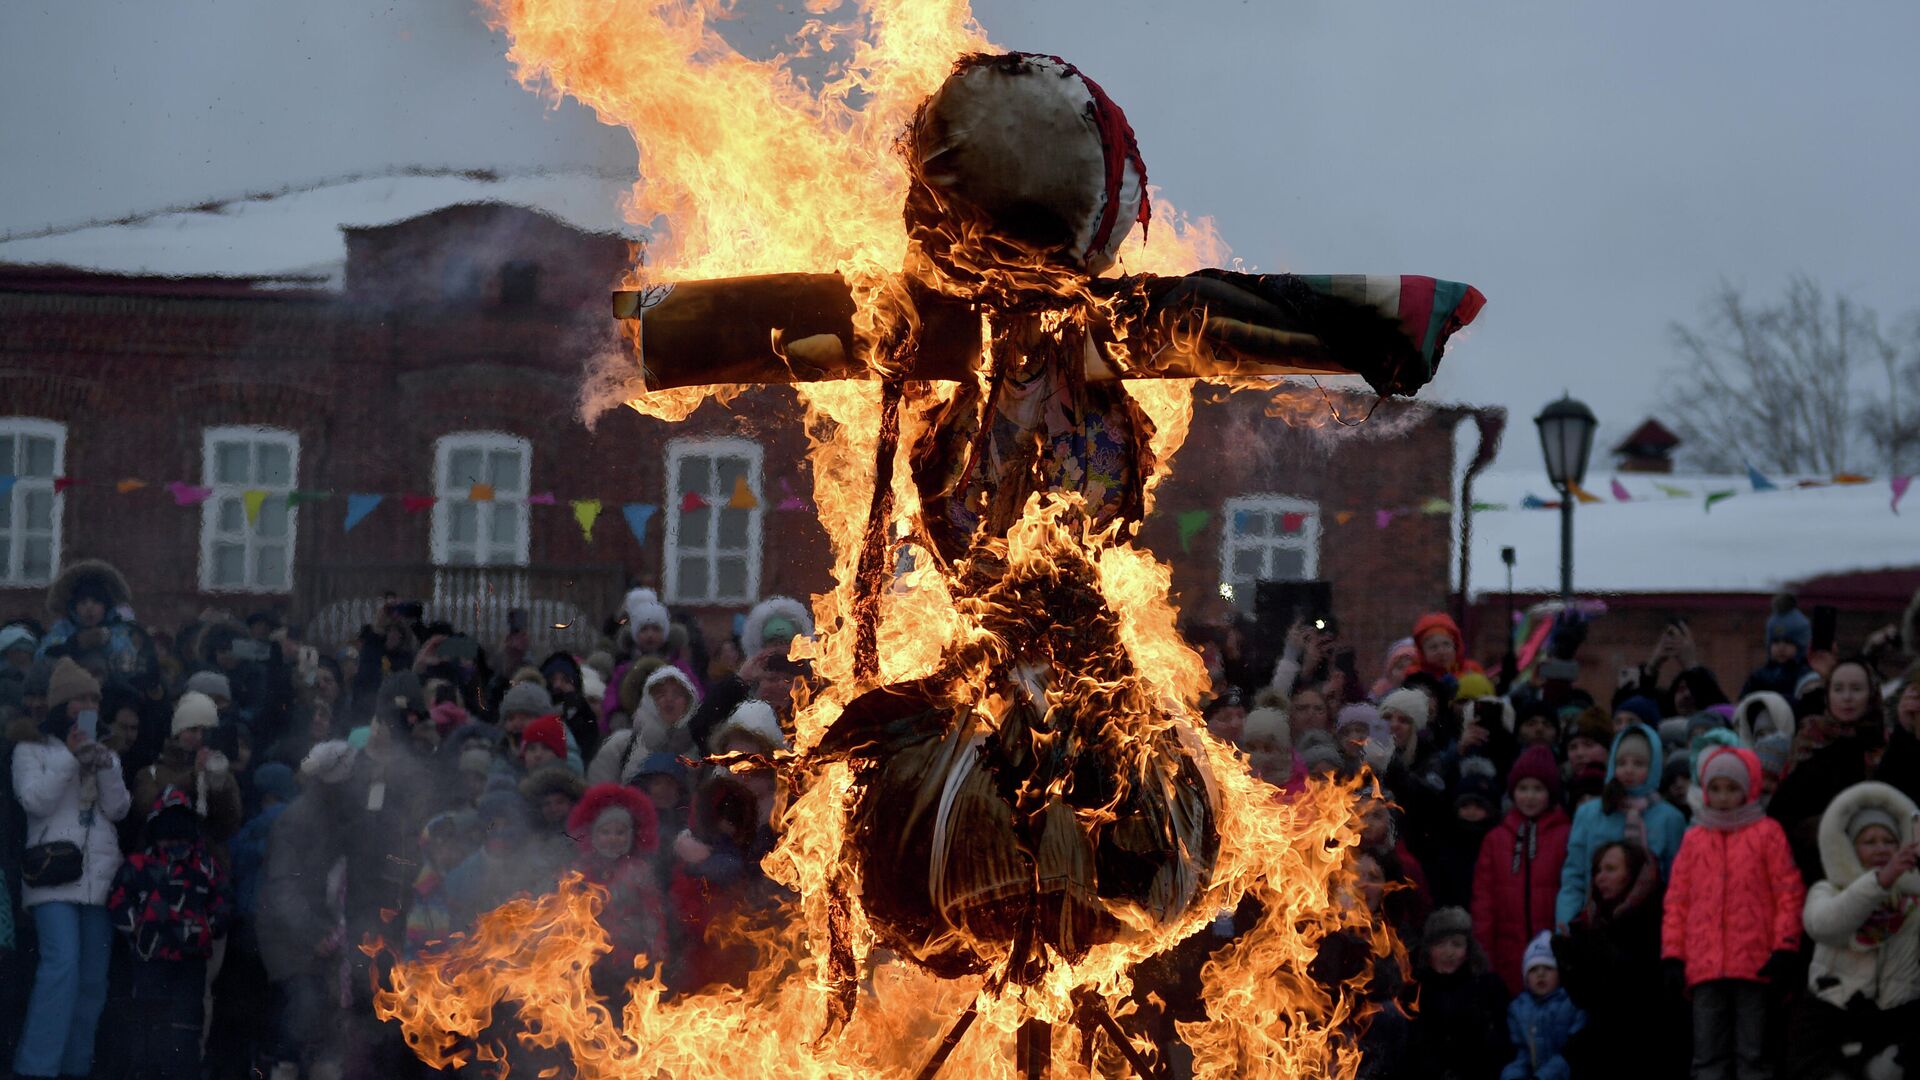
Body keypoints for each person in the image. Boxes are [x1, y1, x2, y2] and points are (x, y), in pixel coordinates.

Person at [10, 657, 132, 1080]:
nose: (88, 705)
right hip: (51, 876)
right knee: (60, 968)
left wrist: (107, 767)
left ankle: (75, 1068)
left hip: (97, 879)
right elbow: (35, 801)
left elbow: (118, 809)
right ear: (62, 704)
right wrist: (69, 758)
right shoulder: (31, 750)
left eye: (94, 699)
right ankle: (36, 1069)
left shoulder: (105, 751)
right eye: (80, 698)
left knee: (92, 981)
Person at [1662, 745, 1803, 1080]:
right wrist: (1673, 954)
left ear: (1748, 789)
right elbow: (1677, 902)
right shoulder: (1694, 839)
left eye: (1732, 788)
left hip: (1755, 962)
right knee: (1707, 1052)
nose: (1724, 797)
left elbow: (1788, 892)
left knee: (1752, 1052)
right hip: (1704, 965)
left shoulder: (1767, 833)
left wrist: (1785, 945)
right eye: (1716, 788)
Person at [1790, 780, 1920, 1079]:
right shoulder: (1827, 889)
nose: (1881, 848)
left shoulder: (1913, 900)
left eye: (1889, 840)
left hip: (1896, 1016)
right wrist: (1879, 882)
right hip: (1832, 1016)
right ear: (1851, 846)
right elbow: (1824, 926)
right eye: (1870, 841)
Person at [107, 786, 232, 1080]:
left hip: (191, 959)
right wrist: (136, 927)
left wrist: (209, 927)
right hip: (152, 957)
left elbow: (224, 901)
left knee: (186, 1022)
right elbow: (117, 899)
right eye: (168, 827)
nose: (174, 836)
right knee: (149, 1019)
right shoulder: (139, 864)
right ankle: (145, 1072)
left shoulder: (204, 866)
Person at [1554, 840, 1684, 1079]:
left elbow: (1640, 986)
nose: (1600, 878)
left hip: (1653, 1041)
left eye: (1611, 869)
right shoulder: (1590, 922)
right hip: (1609, 1039)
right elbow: (1586, 998)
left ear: (1633, 872)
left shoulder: (1660, 914)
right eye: (1597, 871)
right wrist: (1568, 961)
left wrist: (1594, 950)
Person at [1556, 723, 1687, 930]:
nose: (1628, 770)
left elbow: (1677, 883)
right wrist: (1565, 923)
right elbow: (1574, 877)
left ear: (1653, 767)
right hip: (1595, 926)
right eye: (1621, 762)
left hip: (1649, 929)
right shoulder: (1590, 814)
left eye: (1639, 763)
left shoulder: (1670, 819)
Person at [1474, 746, 1573, 995]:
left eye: (1538, 789)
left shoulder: (1566, 835)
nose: (1529, 797)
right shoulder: (1496, 839)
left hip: (1554, 957)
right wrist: (1484, 955)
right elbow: (1484, 902)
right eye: (1523, 788)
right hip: (1507, 956)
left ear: (1550, 793)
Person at [567, 784, 667, 1000]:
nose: (613, 839)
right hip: (590, 960)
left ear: (632, 836)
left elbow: (653, 914)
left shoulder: (639, 872)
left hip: (630, 956)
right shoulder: (580, 873)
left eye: (620, 832)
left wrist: (657, 947)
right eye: (605, 832)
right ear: (592, 836)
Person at [1408, 906, 1511, 1080]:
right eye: (1440, 944)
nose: (1449, 953)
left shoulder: (1489, 988)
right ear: (1428, 949)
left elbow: (1501, 1045)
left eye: (1456, 944)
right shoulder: (1413, 990)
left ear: (1468, 950)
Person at [590, 666, 703, 785]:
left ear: (689, 702)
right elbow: (600, 792)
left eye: (677, 694)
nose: (669, 699)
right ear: (648, 700)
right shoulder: (621, 745)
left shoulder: (700, 751)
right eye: (660, 694)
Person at [1501, 932, 1584, 1080]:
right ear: (1525, 977)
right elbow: (1522, 1055)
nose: (1540, 974)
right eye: (1533, 969)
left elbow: (1572, 1054)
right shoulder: (1518, 1009)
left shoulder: (1572, 1003)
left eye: (1548, 968)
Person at [1742, 595, 1816, 700]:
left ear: (1801, 647)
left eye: (1788, 642)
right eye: (1776, 642)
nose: (1781, 648)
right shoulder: (1758, 677)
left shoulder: (1806, 676)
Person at [1412, 612, 1485, 682]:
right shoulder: (1415, 678)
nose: (1441, 652)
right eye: (1433, 647)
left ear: (1455, 646)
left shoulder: (1471, 670)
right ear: (1422, 652)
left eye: (1446, 644)